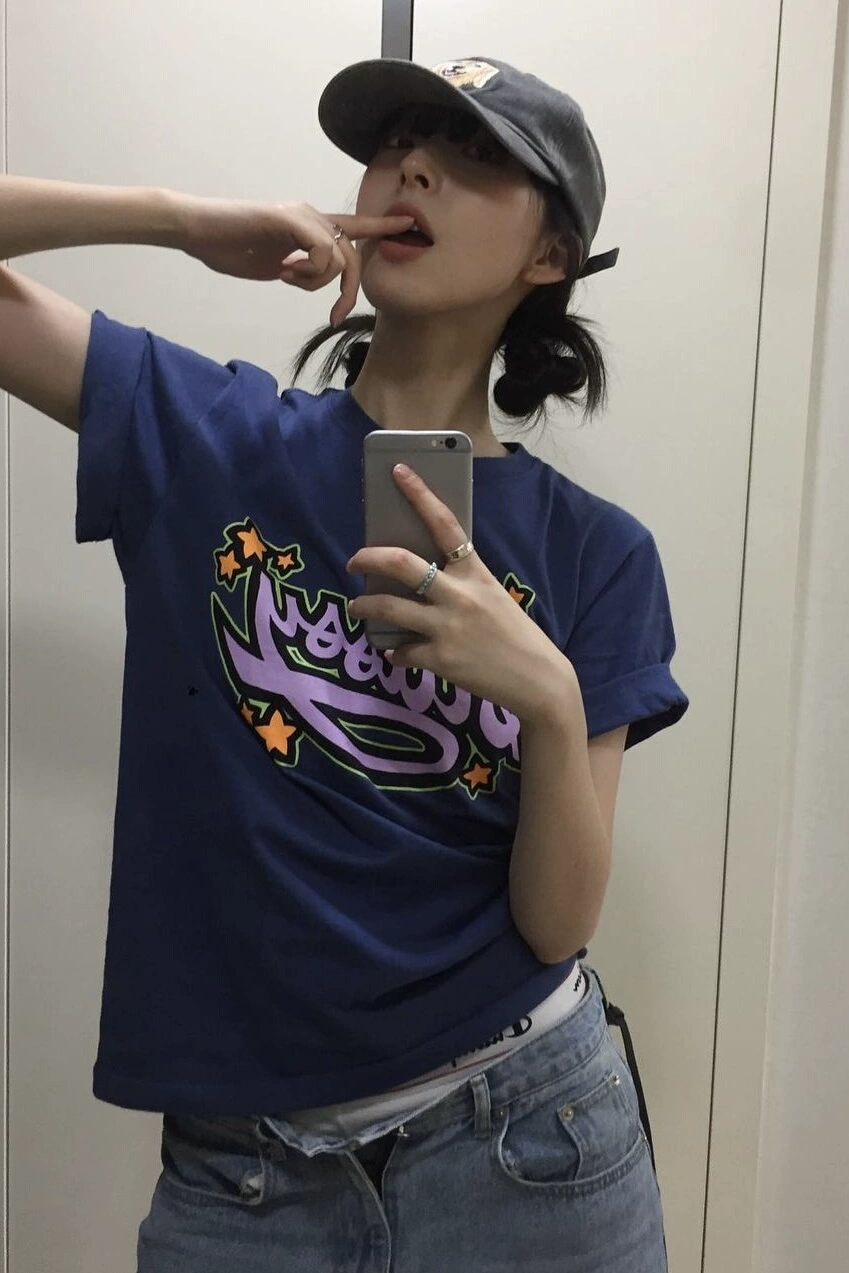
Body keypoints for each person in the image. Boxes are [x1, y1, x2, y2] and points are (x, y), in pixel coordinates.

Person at [0, 54, 688, 1273]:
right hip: (246, 1181)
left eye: (472, 155)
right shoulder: (205, 437)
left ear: (551, 255)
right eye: (396, 144)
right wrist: (181, 221)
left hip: (530, 1139)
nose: (411, 166)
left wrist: (547, 695)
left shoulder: (598, 553)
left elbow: (556, 923)